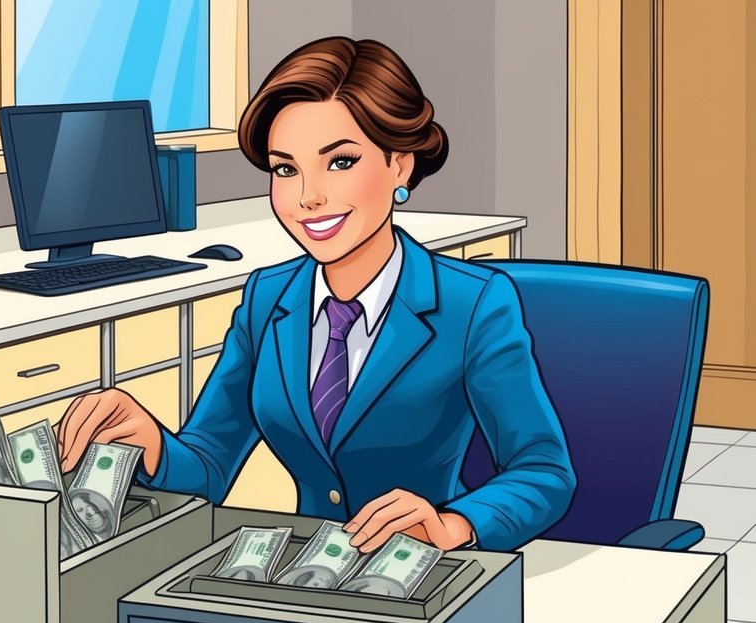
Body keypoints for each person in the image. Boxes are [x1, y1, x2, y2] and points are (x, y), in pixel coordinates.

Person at [55, 37, 575, 554]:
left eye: (341, 162)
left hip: (424, 575)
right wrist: (152, 447)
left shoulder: (474, 305)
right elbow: (210, 464)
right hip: (305, 574)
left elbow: (544, 470)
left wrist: (454, 524)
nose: (308, 197)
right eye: (286, 169)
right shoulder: (267, 298)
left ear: (400, 165)